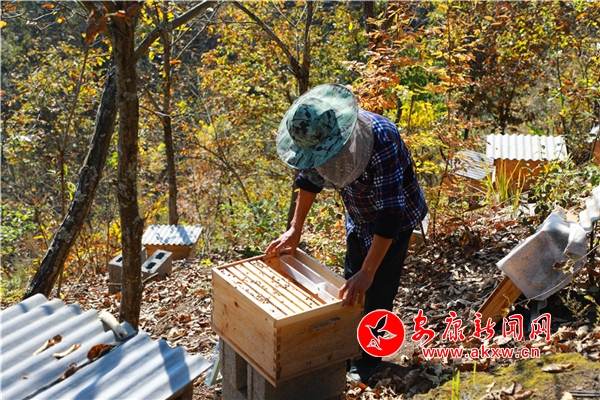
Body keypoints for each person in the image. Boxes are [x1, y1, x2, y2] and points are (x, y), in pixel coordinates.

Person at [266, 83, 428, 383]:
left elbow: (390, 213)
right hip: (358, 214)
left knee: (376, 288)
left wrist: (369, 271)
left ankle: (368, 362)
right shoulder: (316, 138)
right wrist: (294, 230)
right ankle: (348, 349)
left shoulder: (382, 138)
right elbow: (309, 180)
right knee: (350, 284)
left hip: (396, 219)